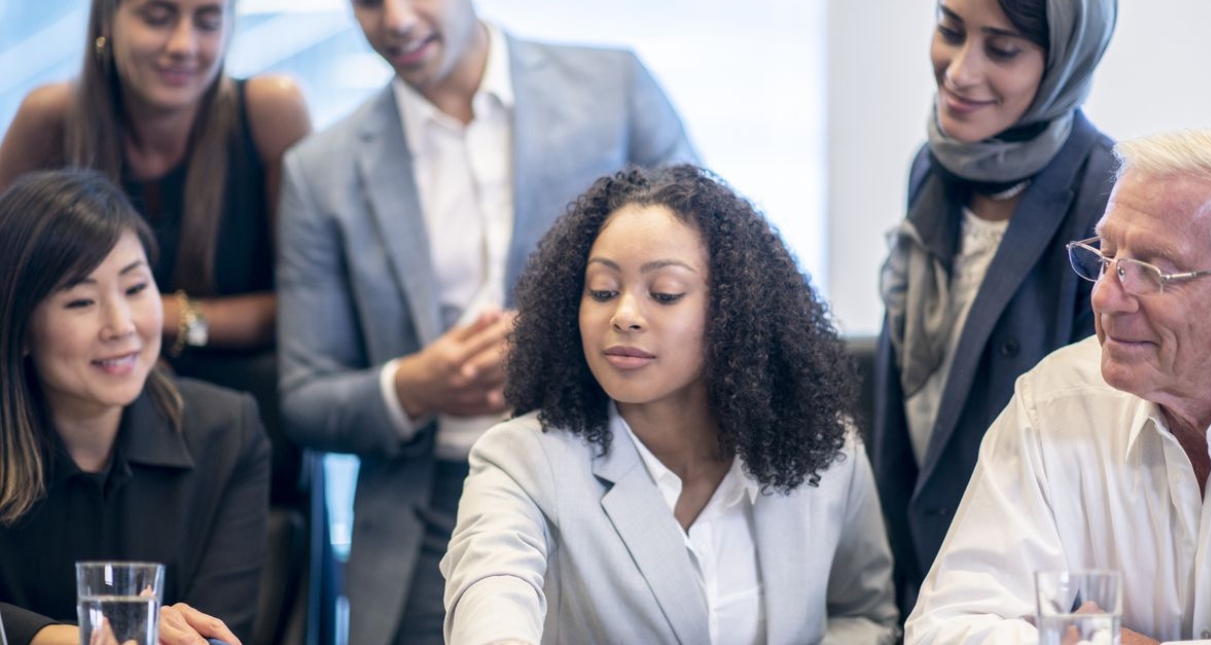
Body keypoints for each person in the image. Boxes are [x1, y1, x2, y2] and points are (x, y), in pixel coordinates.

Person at [275, 1, 696, 642]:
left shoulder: (613, 91)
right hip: (429, 510)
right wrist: (412, 387)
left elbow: (711, 269)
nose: (395, 20)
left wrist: (566, 330)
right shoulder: (320, 172)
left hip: (628, 473)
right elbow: (304, 399)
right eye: (365, 1)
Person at [440, 165, 899, 644]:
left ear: (734, 312)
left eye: (665, 294)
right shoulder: (522, 461)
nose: (625, 316)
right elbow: (490, 595)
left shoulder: (826, 450)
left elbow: (863, 615)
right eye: (602, 291)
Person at [904, 127, 1211, 644]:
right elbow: (943, 629)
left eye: (1152, 271)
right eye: (1105, 257)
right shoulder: (1054, 404)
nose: (1105, 299)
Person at [0, 0, 311, 503]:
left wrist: (159, 320)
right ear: (107, 22)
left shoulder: (271, 110)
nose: (184, 45)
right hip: (74, 422)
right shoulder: (49, 118)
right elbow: (6, 289)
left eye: (208, 21)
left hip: (243, 410)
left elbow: (304, 308)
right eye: (158, 17)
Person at [871, 0, 1118, 612]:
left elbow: (1102, 445)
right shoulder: (933, 167)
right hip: (919, 567)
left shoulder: (1107, 199)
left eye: (1001, 49)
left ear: (1063, 62)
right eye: (950, 31)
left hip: (1029, 589)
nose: (959, 70)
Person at [0, 169, 270, 645]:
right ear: (19, 326)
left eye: (135, 288)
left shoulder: (227, 431)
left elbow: (220, 633)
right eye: (82, 301)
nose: (121, 325)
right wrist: (53, 639)